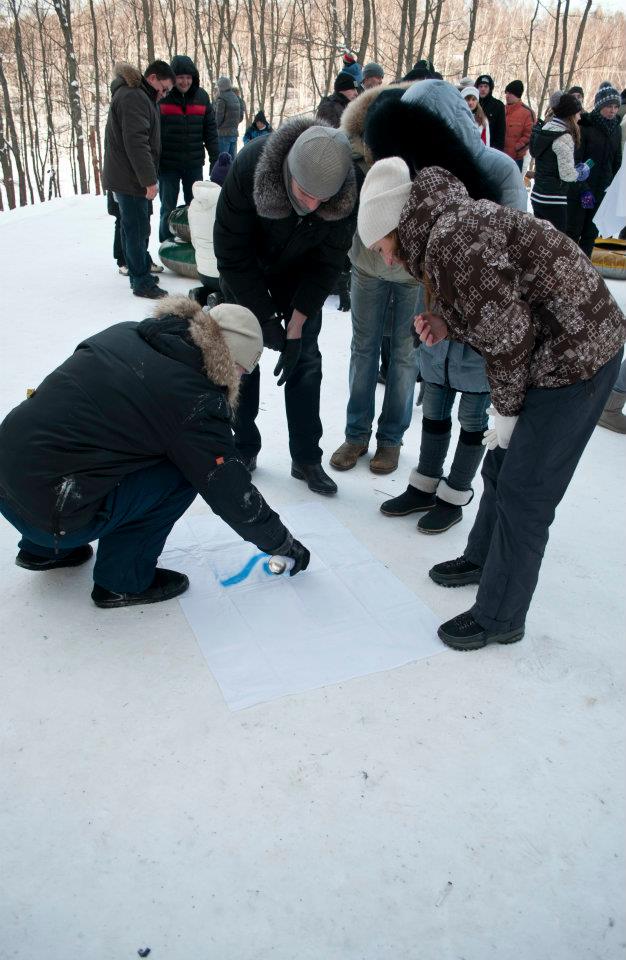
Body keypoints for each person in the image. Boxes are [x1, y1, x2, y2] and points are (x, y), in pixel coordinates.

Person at [357, 159, 625, 650]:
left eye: (384, 249)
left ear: (398, 227)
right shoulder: (443, 226)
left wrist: (507, 415)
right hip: (554, 340)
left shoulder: (451, 240)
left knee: (527, 490)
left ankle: (501, 616)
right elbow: (500, 303)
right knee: (502, 467)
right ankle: (483, 560)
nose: (388, 261)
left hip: (578, 354)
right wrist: (447, 325)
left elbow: (508, 339)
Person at [0, 297, 310, 608]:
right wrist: (280, 542)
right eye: (242, 371)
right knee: (182, 473)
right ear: (228, 360)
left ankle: (41, 551)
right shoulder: (194, 398)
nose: (240, 380)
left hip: (9, 484)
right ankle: (123, 580)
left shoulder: (124, 333)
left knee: (85, 445)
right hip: (53, 514)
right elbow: (228, 489)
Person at [362, 79, 527, 532]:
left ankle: (455, 492)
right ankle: (424, 483)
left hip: (481, 313)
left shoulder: (498, 169)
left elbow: (514, 245)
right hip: (434, 304)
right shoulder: (417, 168)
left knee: (472, 411)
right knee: (434, 401)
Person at [214, 120, 358, 494]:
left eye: (321, 200)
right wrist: (263, 319)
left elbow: (329, 263)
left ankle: (306, 456)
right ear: (287, 170)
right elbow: (230, 253)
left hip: (300, 275)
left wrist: (295, 324)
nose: (312, 205)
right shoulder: (250, 168)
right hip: (247, 271)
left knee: (305, 359)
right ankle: (242, 446)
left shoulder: (345, 190)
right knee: (241, 361)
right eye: (305, 193)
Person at [329, 83, 423, 476]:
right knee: (363, 349)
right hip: (367, 264)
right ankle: (355, 435)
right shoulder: (354, 149)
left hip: (413, 272)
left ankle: (391, 441)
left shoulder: (423, 148)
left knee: (404, 354)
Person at [102, 59, 175, 299]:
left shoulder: (140, 96)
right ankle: (141, 281)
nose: (164, 95)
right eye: (163, 88)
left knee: (132, 226)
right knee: (136, 228)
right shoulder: (134, 97)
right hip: (130, 178)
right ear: (152, 78)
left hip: (128, 175)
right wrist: (149, 180)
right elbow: (137, 143)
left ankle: (139, 271)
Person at [158, 55, 219, 242]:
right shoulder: (163, 98)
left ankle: (194, 242)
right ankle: (166, 242)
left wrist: (215, 159)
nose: (185, 82)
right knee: (167, 207)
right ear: (173, 78)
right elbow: (154, 134)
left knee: (195, 206)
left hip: (193, 163)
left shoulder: (202, 97)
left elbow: (210, 130)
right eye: (180, 77)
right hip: (168, 165)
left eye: (189, 77)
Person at [567, 82, 622, 257]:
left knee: (591, 234)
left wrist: (612, 187)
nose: (613, 111)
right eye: (609, 106)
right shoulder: (585, 126)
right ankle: (568, 266)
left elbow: (616, 159)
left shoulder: (616, 130)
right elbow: (577, 160)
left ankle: (585, 270)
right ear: (599, 107)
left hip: (602, 190)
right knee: (574, 231)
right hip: (582, 189)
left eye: (615, 107)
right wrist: (583, 189)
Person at [530, 91, 589, 232]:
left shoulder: (545, 129)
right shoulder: (563, 136)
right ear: (570, 115)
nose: (580, 116)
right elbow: (567, 174)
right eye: (578, 112)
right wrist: (581, 172)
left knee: (541, 241)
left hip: (538, 196)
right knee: (557, 246)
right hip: (554, 199)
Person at [187, 152, 233, 298]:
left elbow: (194, 240)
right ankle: (220, 299)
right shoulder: (228, 204)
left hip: (201, 270)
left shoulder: (195, 203)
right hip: (222, 274)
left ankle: (201, 294)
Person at [503, 80, 534, 170]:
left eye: (510, 93)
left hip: (515, 159)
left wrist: (516, 149)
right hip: (499, 156)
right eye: (506, 93)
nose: (507, 96)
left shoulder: (527, 113)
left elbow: (529, 135)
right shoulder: (501, 109)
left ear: (517, 95)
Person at [475, 74, 505, 151]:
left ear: (490, 88)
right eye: (480, 86)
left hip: (490, 148)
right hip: (473, 148)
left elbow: (500, 132)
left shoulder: (498, 106)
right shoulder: (472, 103)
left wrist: (496, 151)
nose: (483, 89)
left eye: (485, 86)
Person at [214, 76, 242, 158]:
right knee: (232, 161)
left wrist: (216, 128)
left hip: (223, 134)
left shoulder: (221, 98)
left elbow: (218, 118)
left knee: (223, 161)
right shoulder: (235, 97)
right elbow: (240, 116)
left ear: (221, 87)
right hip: (234, 133)